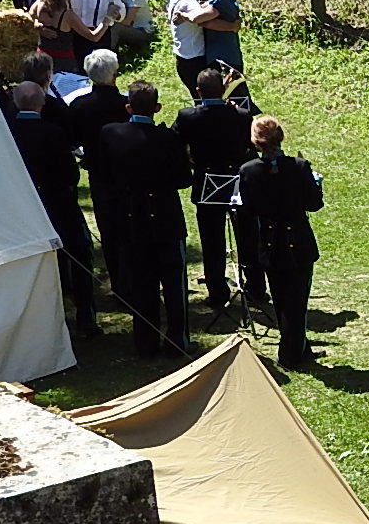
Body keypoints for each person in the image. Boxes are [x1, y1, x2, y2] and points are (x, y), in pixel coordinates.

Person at [92, 80, 192, 356]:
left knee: (141, 282)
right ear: (157, 108)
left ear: (128, 107)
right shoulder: (168, 138)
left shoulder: (110, 134)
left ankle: (145, 341)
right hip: (166, 218)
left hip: (131, 217)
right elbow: (184, 179)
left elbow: (103, 173)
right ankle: (177, 340)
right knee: (174, 284)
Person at [8, 81, 98, 336]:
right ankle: (85, 316)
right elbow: (70, 174)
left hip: (25, 206)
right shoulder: (53, 132)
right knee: (80, 252)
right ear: (42, 102)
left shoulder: (8, 132)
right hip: (58, 202)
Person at [235, 115, 324, 370]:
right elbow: (313, 204)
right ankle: (290, 354)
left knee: (282, 298)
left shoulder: (248, 171)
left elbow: (248, 210)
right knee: (297, 301)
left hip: (269, 243)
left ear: (255, 142)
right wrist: (316, 186)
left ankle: (300, 347)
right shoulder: (300, 167)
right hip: (298, 241)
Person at [176, 69, 257, 311]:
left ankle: (217, 292)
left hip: (207, 184)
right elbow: (250, 148)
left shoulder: (188, 116)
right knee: (247, 237)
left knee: (212, 242)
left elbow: (175, 143)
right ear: (223, 89)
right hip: (237, 182)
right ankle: (255, 287)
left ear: (198, 92)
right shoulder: (242, 115)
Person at [66, 49, 129, 294]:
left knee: (108, 230)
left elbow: (73, 141)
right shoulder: (126, 105)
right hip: (126, 176)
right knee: (131, 230)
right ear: (115, 74)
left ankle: (119, 283)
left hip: (99, 175)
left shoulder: (80, 106)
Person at [167, 0, 211, 96]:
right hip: (194, 61)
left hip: (184, 59)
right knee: (206, 98)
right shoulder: (189, 2)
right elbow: (201, 18)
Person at [191, 0, 244, 76]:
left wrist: (184, 15)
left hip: (222, 57)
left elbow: (198, 19)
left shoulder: (218, 3)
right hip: (231, 55)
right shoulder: (228, 0)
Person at [29, 0, 89, 72]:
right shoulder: (68, 16)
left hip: (42, 59)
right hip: (63, 63)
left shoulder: (40, 4)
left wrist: (37, 25)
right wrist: (106, 20)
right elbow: (93, 37)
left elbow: (31, 13)